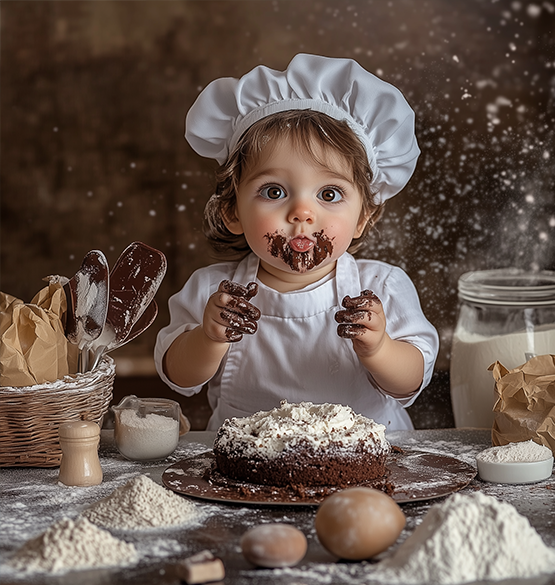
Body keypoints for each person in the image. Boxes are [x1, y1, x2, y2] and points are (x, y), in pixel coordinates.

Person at [154, 54, 439, 430]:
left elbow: (411, 381)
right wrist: (208, 337)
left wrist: (380, 348)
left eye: (330, 194)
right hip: (249, 466)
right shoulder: (214, 291)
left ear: (362, 218)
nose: (302, 212)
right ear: (232, 211)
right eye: (273, 191)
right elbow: (180, 376)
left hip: (369, 461)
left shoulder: (382, 287)